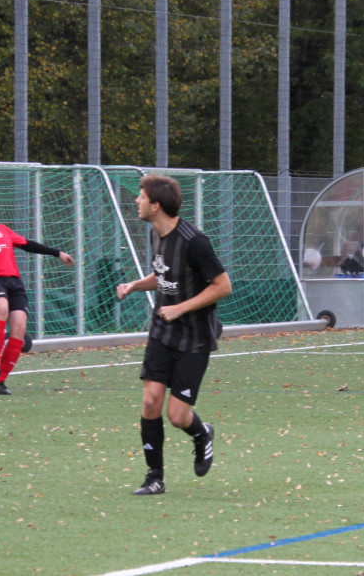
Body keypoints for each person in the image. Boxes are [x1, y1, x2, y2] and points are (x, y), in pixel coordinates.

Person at [116, 174, 231, 496]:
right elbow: (164, 273)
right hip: (162, 330)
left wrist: (180, 308)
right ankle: (154, 477)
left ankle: (202, 434)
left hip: (194, 338)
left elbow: (223, 286)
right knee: (151, 400)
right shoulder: (156, 234)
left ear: (156, 205)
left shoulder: (195, 241)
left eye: (140, 197)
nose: (136, 202)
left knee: (177, 415)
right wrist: (135, 285)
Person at [0, 198, 74, 395]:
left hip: (14, 282)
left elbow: (28, 245)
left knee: (19, 328)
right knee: (1, 308)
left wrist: (57, 253)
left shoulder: (2, 230)